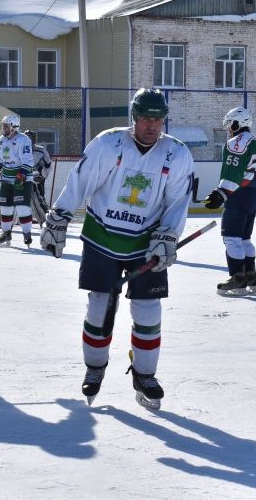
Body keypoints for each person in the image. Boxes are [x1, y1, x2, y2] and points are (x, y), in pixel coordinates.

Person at [40, 88, 194, 410]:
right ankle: (94, 370)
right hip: (102, 238)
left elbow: (178, 202)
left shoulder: (176, 154)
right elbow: (80, 181)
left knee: (148, 310)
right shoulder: (109, 144)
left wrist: (168, 236)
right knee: (99, 305)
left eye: (158, 118)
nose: (153, 125)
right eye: (146, 118)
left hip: (145, 244)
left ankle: (145, 375)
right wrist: (59, 217)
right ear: (134, 118)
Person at [204, 107, 256, 296]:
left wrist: (220, 193)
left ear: (238, 123)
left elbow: (233, 173)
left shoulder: (235, 143)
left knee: (231, 239)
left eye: (230, 124)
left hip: (238, 195)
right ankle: (250, 276)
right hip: (253, 194)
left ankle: (237, 280)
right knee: (245, 239)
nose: (229, 128)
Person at [0, 114, 35, 247]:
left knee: (22, 207)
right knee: (5, 208)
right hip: (7, 178)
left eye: (6, 125)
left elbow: (28, 161)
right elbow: (1, 161)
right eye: (3, 125)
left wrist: (21, 176)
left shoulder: (23, 139)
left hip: (23, 178)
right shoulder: (2, 140)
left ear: (14, 127)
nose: (3, 128)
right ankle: (6, 233)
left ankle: (27, 233)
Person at [24, 129, 53, 224]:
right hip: (20, 178)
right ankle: (7, 221)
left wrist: (42, 175)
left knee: (39, 199)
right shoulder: (18, 148)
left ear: (35, 140)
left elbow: (48, 164)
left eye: (31, 138)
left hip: (36, 179)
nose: (29, 140)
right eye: (27, 138)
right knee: (17, 198)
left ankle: (46, 220)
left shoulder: (41, 150)